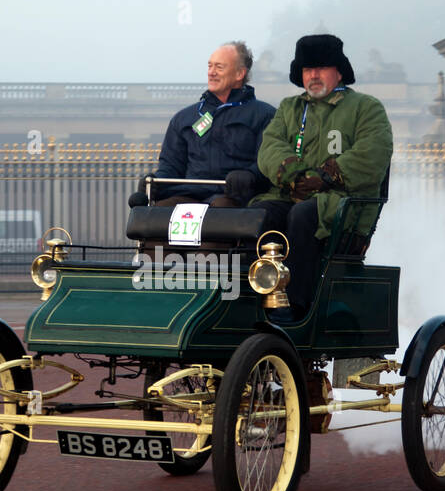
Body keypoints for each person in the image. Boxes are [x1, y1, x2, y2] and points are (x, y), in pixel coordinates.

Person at [250, 34, 392, 322]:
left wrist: (325, 177)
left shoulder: (366, 107)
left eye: (321, 68)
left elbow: (373, 154)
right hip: (290, 194)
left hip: (344, 205)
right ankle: (252, 298)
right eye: (306, 70)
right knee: (258, 214)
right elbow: (270, 147)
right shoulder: (289, 108)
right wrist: (296, 175)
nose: (313, 75)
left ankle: (296, 307)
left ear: (339, 71)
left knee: (303, 215)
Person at [146, 41, 275, 208]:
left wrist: (250, 174)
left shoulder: (265, 115)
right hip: (189, 194)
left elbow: (267, 163)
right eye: (210, 66)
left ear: (239, 73)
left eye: (219, 67)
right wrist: (155, 183)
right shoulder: (184, 118)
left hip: (234, 197)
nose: (211, 73)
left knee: (219, 212)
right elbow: (170, 165)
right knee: (158, 214)